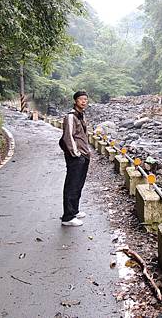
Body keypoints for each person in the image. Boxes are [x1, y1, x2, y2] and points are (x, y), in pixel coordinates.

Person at [59, 91, 91, 226]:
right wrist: (76, 153)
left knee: (78, 184)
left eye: (85, 99)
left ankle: (75, 210)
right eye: (81, 99)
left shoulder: (81, 115)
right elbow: (68, 137)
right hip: (76, 157)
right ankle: (68, 217)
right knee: (72, 185)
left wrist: (86, 153)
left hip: (83, 155)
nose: (84, 102)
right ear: (75, 101)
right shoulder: (71, 117)